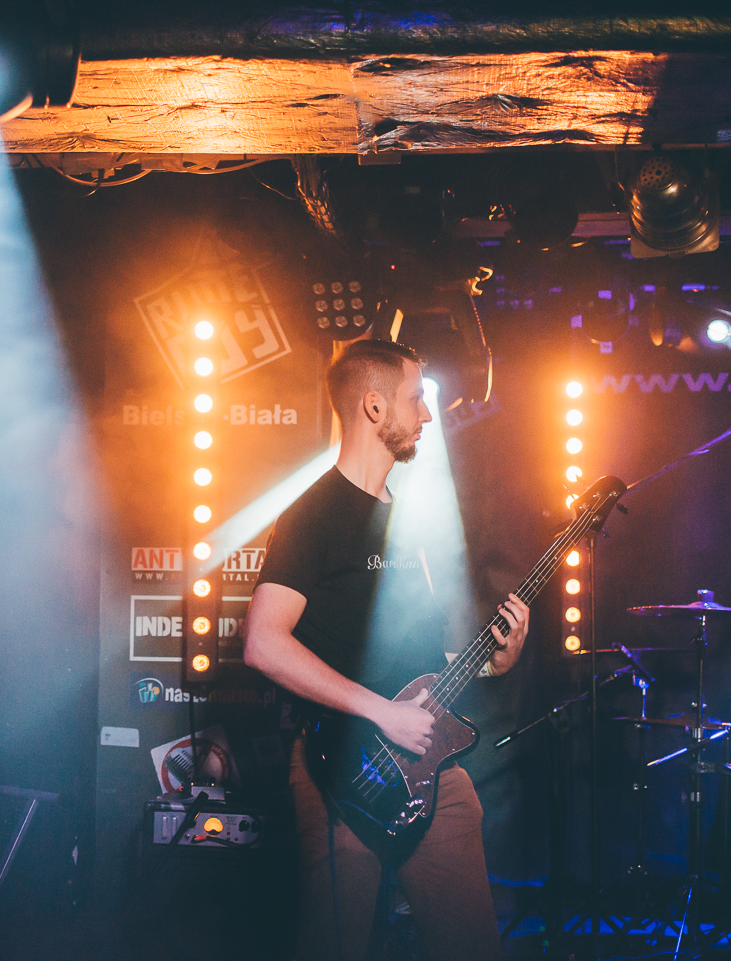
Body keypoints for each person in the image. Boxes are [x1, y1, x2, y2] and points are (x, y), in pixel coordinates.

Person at [242, 338, 528, 961]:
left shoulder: (409, 519)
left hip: (432, 773)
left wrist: (493, 660)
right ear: (374, 407)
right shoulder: (313, 514)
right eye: (416, 398)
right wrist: (381, 712)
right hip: (342, 772)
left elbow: (423, 663)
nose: (427, 414)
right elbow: (263, 642)